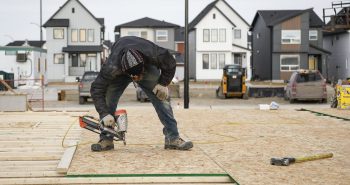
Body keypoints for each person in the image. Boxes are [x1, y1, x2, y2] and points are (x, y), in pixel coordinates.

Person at [90, 36, 193, 152]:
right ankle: (106, 139)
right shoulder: (111, 67)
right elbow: (96, 88)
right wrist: (104, 113)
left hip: (146, 67)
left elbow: (170, 62)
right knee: (108, 99)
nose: (136, 79)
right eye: (133, 77)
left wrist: (163, 83)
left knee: (162, 98)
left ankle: (172, 138)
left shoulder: (153, 53)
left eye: (138, 76)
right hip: (119, 72)